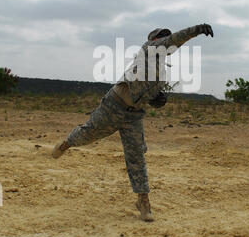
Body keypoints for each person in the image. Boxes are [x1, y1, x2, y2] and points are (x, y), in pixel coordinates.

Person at [52, 24, 214, 221]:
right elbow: (174, 40)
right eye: (161, 38)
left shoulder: (161, 70)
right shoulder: (148, 49)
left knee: (136, 156)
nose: (165, 41)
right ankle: (65, 144)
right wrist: (197, 30)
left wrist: (157, 100)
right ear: (153, 40)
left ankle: (143, 202)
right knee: (88, 133)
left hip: (133, 116)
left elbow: (149, 95)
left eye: (166, 38)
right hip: (113, 105)